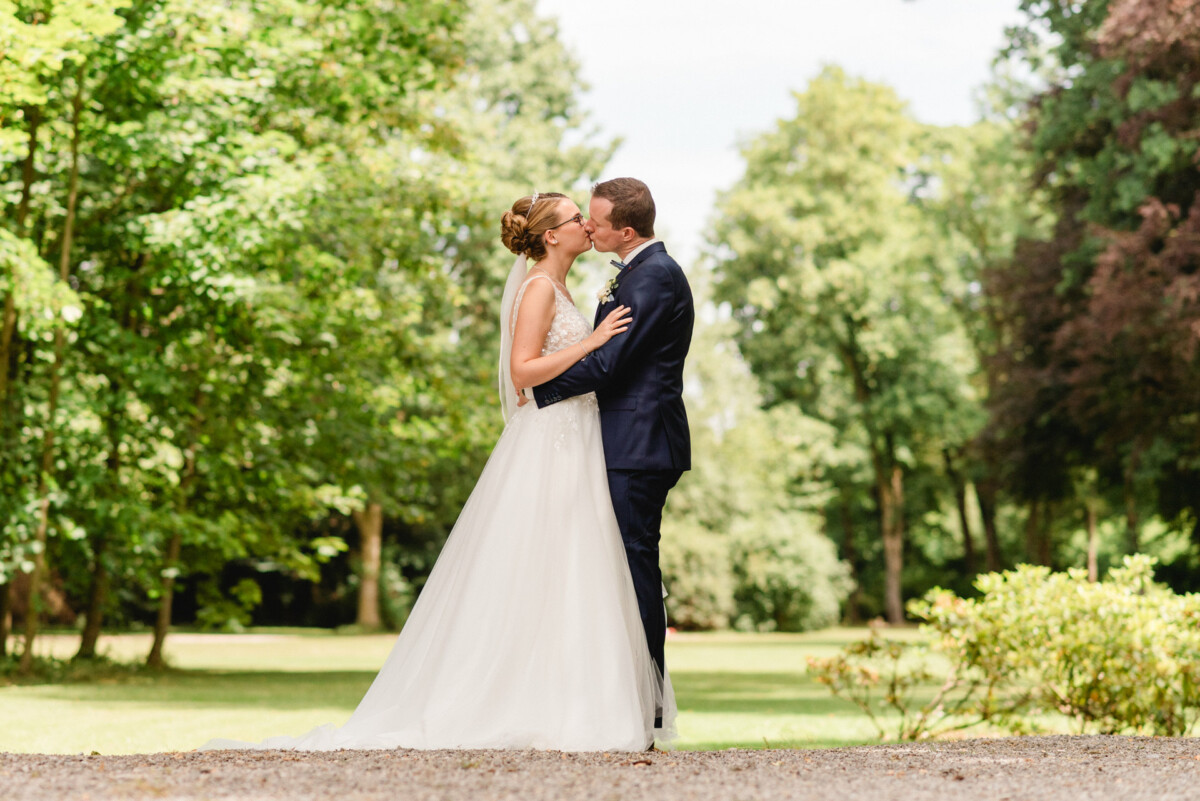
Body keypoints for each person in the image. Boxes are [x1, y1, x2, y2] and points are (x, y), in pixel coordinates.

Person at [201, 192, 676, 753]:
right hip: (551, 439)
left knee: (574, 564)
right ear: (552, 236)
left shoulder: (567, 288)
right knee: (539, 559)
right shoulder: (540, 288)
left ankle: (573, 699)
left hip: (580, 440)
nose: (586, 225)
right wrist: (593, 342)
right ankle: (512, 700)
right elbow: (521, 370)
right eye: (577, 219)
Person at [527, 178, 694, 729]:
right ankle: (621, 699)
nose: (587, 228)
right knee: (615, 569)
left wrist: (539, 395)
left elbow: (609, 366)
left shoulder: (654, 279)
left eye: (594, 221)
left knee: (633, 567)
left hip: (638, 445)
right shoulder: (637, 274)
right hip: (621, 440)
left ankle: (644, 703)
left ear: (625, 230)